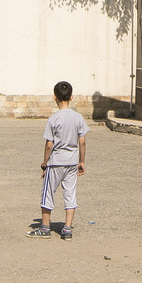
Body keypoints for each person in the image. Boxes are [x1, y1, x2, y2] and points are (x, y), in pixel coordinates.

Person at [27, 80, 89, 239]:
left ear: (55, 97)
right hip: (72, 161)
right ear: (71, 97)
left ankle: (45, 228)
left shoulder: (53, 119)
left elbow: (49, 145)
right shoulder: (78, 117)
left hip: (55, 162)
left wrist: (45, 163)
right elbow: (82, 141)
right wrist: (81, 161)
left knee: (47, 193)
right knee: (70, 194)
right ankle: (67, 229)